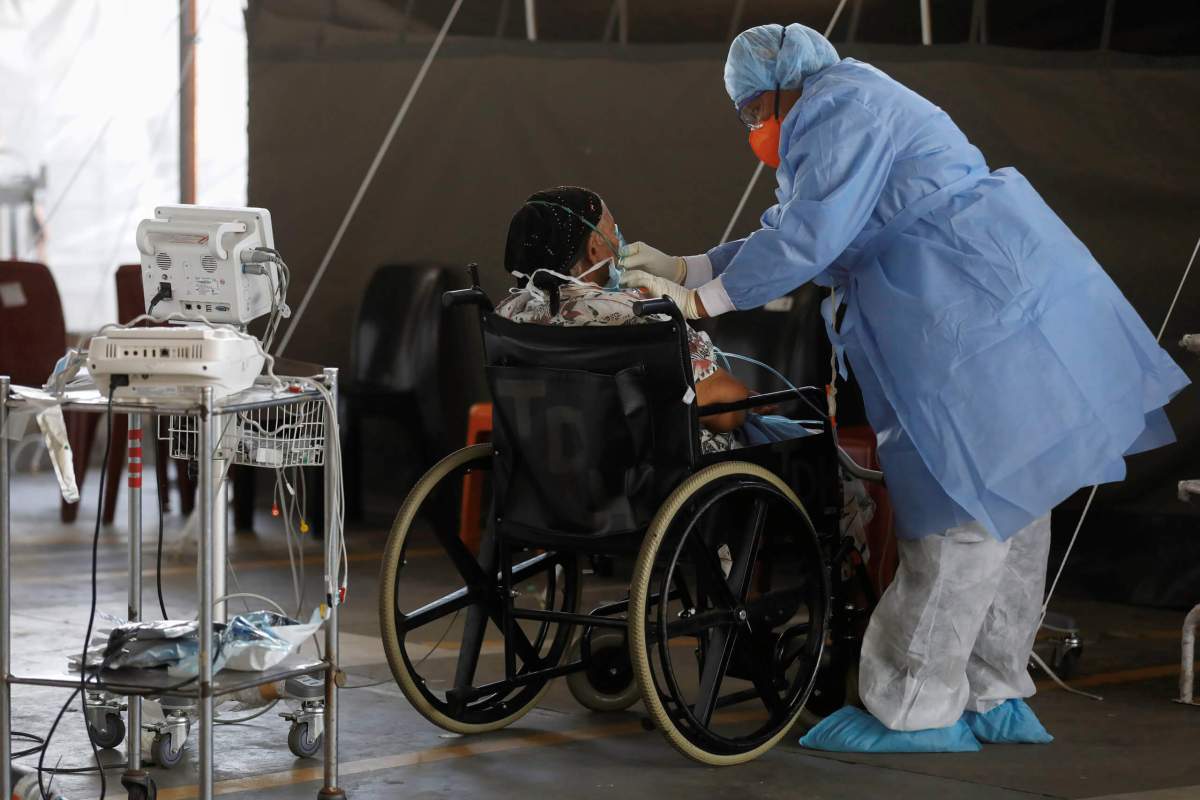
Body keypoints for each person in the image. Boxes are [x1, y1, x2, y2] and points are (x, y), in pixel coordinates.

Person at [617, 24, 1190, 752]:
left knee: (963, 509)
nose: (753, 128)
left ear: (784, 85)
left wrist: (702, 302)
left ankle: (914, 706)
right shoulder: (849, 105)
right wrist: (688, 266)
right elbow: (801, 227)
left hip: (967, 318)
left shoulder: (835, 109)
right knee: (1014, 504)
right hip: (1002, 302)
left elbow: (810, 238)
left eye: (754, 110)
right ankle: (993, 692)